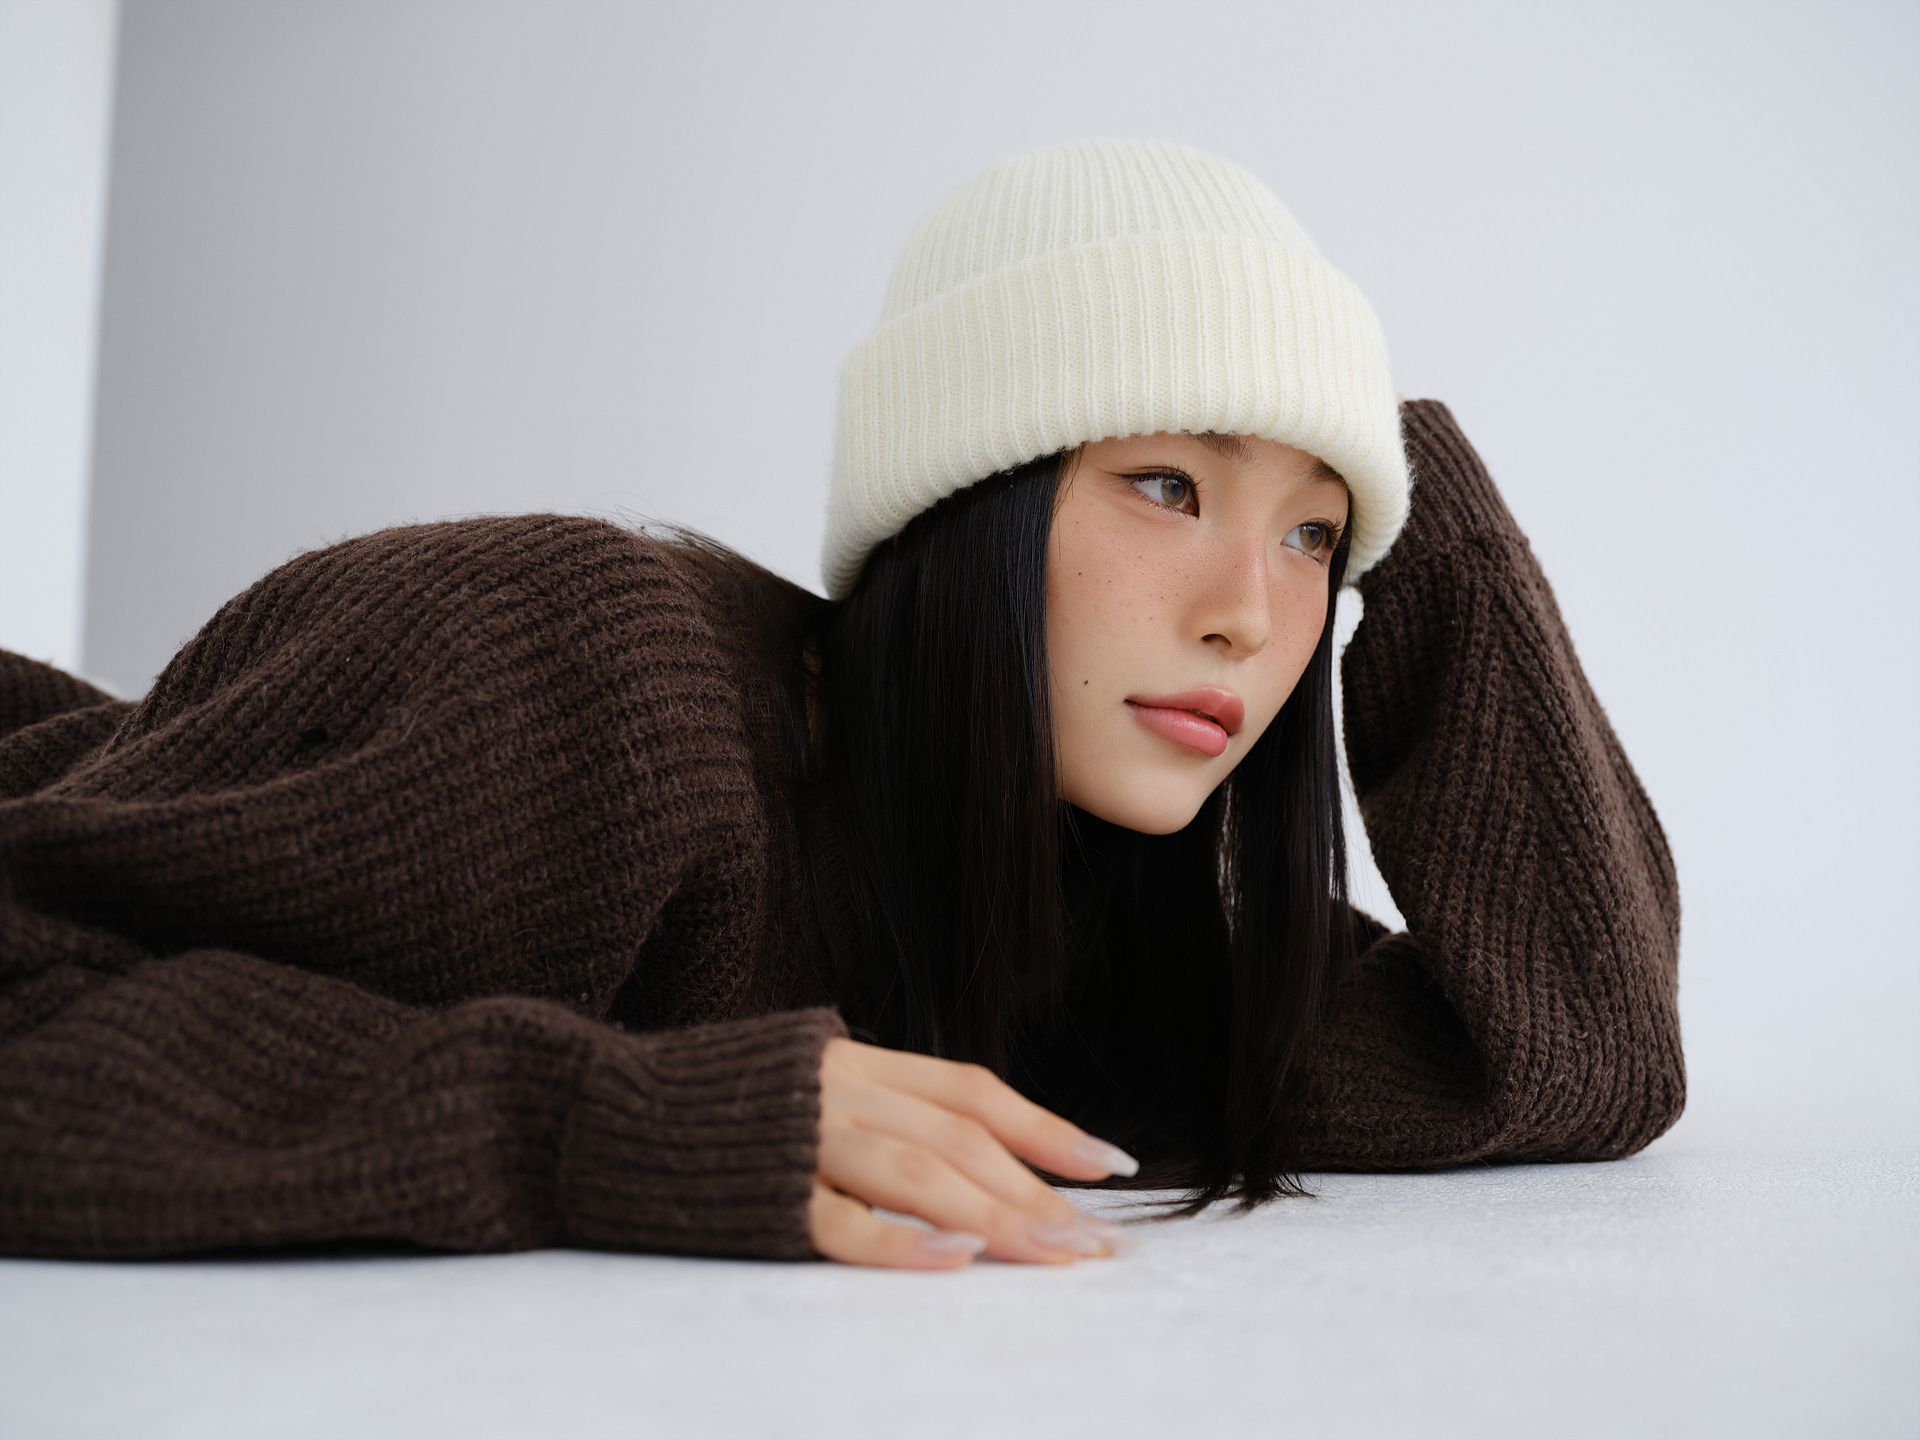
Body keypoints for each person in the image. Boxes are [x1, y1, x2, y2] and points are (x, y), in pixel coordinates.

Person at [0, 141, 1682, 1270]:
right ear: (965, 501)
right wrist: (617, 1121)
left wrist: (1421, 494)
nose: (1254, 614)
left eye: (1315, 535)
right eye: (1167, 484)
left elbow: (1578, 1064)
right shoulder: (586, 684)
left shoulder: (1092, 901)